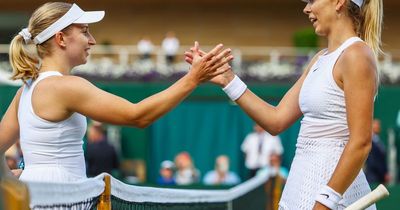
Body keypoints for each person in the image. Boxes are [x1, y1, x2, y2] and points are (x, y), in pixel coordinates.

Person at [0, 2, 233, 183]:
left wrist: (14, 178)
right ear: (61, 38)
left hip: (38, 195)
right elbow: (137, 116)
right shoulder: (67, 87)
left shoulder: (26, 90)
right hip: (60, 198)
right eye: (85, 32)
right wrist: (193, 78)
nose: (91, 41)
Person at [185, 0, 383, 209]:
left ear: (338, 2)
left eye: (312, 0)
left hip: (335, 198)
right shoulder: (320, 59)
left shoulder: (356, 55)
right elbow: (276, 120)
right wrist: (228, 79)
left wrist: (324, 203)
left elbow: (361, 142)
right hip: (301, 189)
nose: (306, 8)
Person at [365, 119, 389, 184]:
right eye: (376, 125)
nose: (378, 127)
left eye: (379, 125)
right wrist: (383, 174)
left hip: (379, 177)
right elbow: (373, 161)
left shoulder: (378, 140)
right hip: (373, 177)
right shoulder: (370, 141)